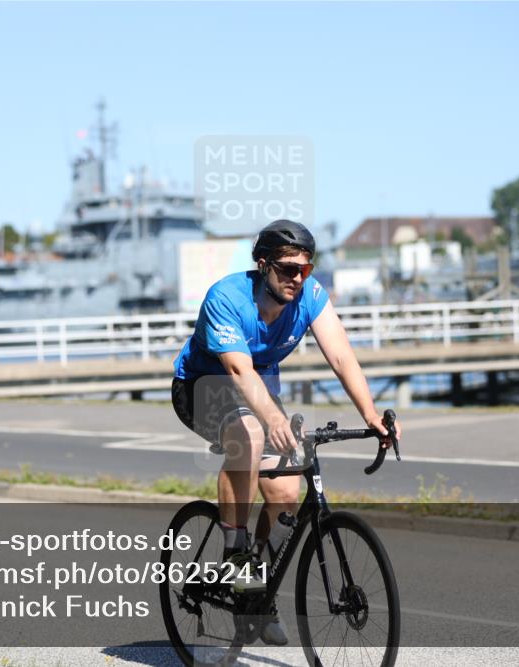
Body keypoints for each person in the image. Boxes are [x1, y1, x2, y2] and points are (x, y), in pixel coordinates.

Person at [171, 219, 402, 646]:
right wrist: (274, 420)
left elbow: (341, 355)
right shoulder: (226, 297)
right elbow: (238, 370)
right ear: (263, 265)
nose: (298, 278)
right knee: (252, 438)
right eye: (287, 269)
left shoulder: (310, 297)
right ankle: (234, 555)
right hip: (204, 386)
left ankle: (256, 592)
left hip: (257, 392)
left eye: (305, 269)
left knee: (285, 493)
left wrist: (370, 413)